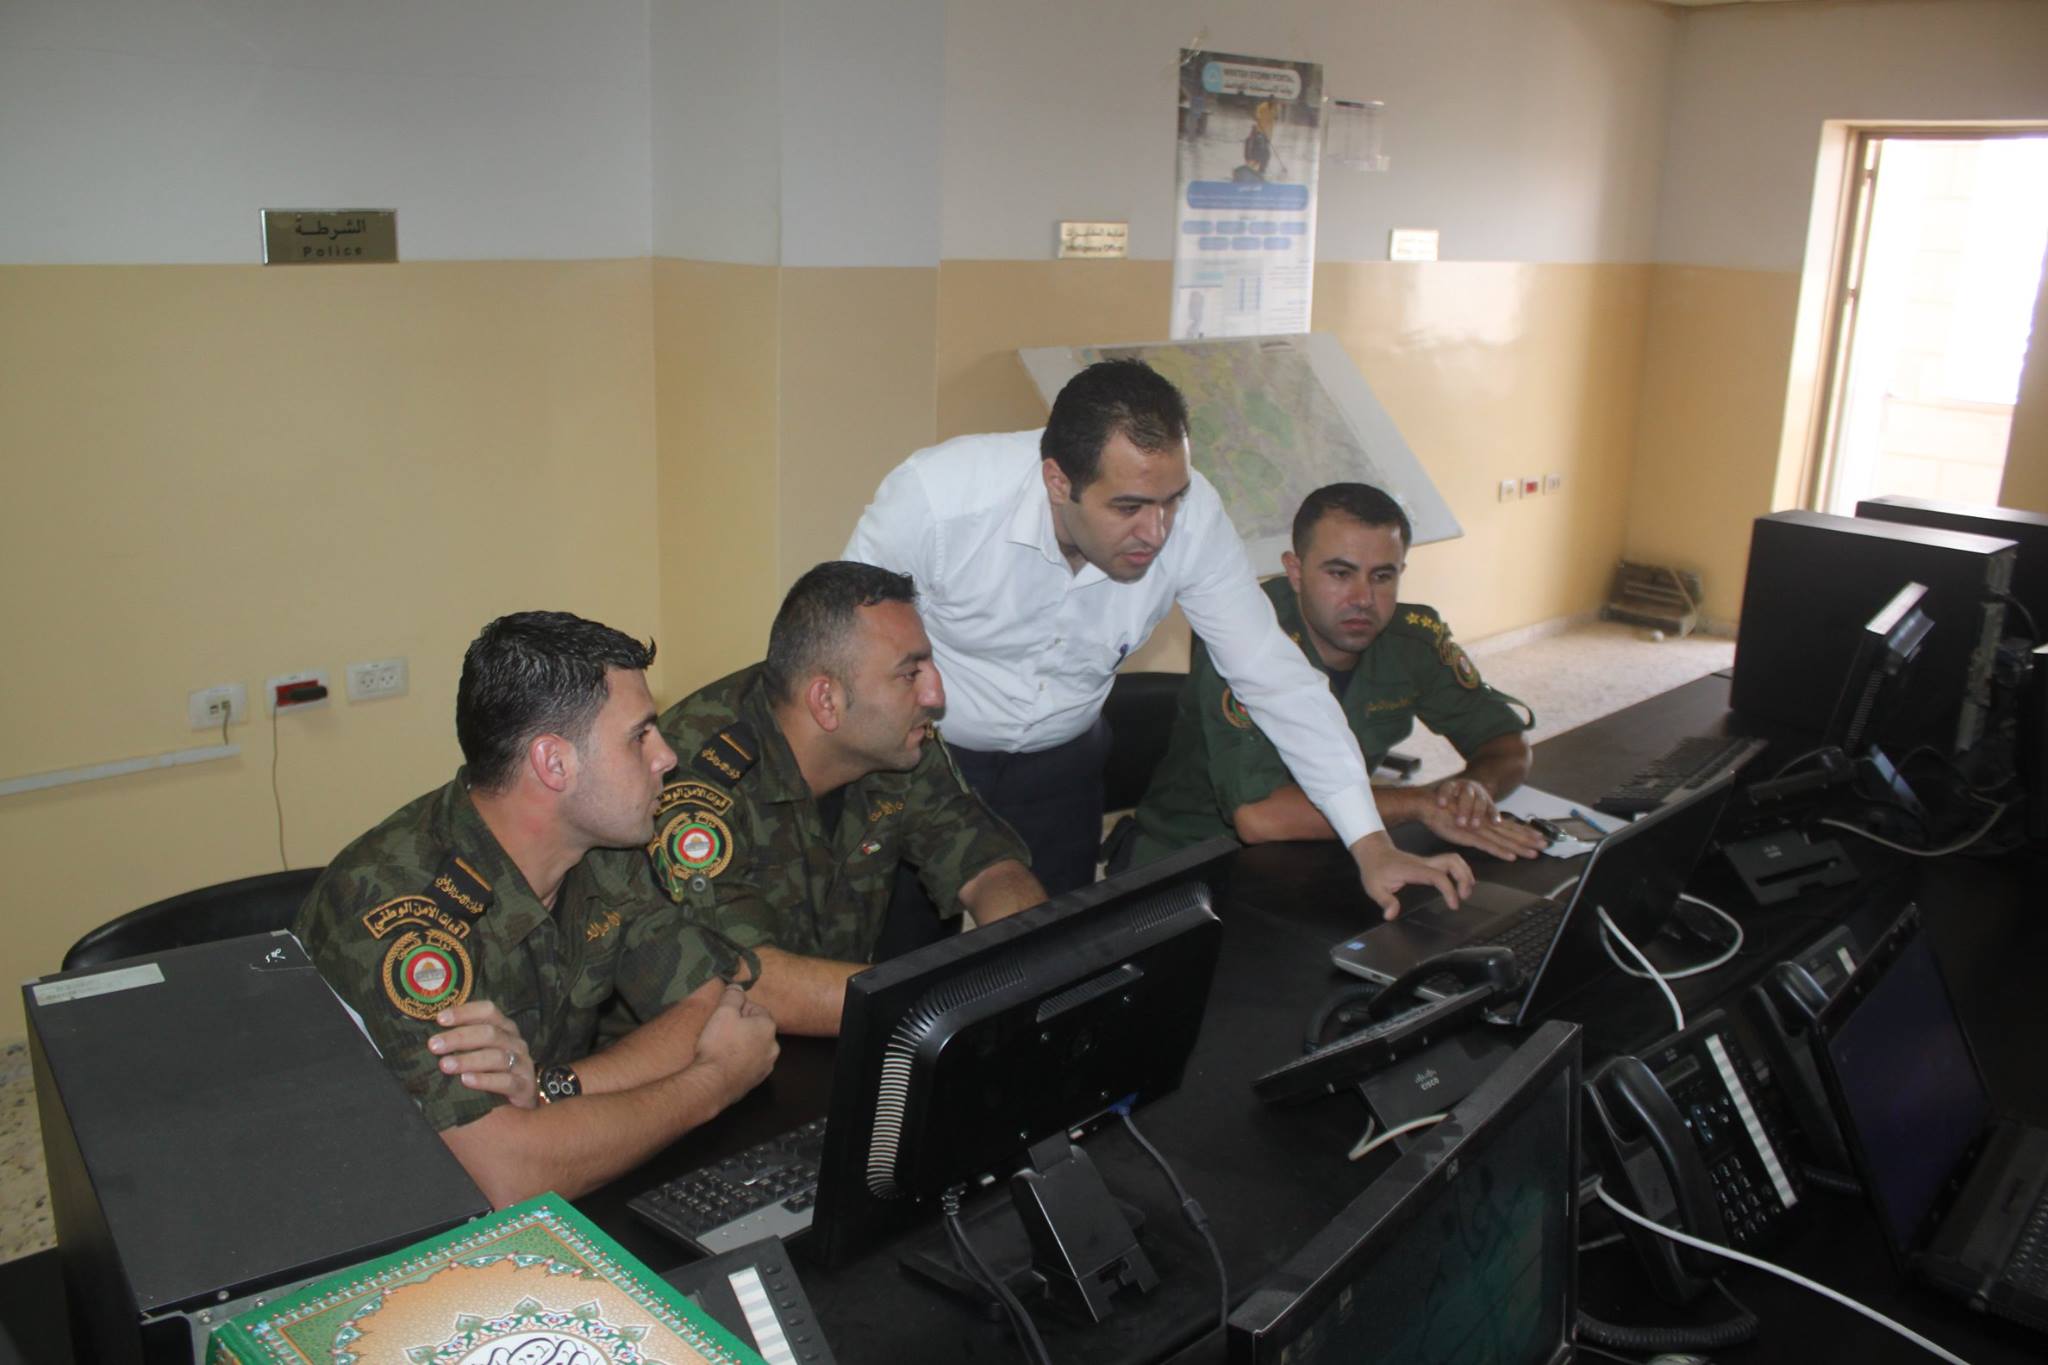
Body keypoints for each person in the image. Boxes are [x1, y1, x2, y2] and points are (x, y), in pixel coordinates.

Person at [845, 358, 1472, 917]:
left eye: (1171, 499)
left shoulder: (1193, 519)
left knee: (1049, 955)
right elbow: (846, 645)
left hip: (1063, 762)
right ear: (1058, 482)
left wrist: (1370, 842)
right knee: (901, 957)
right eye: (1129, 507)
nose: (1158, 531)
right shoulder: (940, 499)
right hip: (924, 758)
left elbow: (1274, 676)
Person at [295, 612, 780, 1207]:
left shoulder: (607, 844)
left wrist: (554, 1089)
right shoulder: (400, 912)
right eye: (640, 736)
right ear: (554, 764)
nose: (667, 756)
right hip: (374, 1216)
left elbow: (707, 1005)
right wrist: (714, 1082)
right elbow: (508, 1174)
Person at [651, 562, 1047, 1035]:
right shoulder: (696, 778)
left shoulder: (899, 742)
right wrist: (947, 1002)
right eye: (910, 674)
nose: (935, 695)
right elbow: (748, 982)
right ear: (827, 701)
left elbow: (988, 863)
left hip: (845, 1023)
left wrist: (1026, 960)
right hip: (697, 1050)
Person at [1130, 483, 1548, 867]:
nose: (1363, 598)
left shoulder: (1411, 639)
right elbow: (1260, 818)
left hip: (1333, 846)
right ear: (1295, 572)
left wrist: (1474, 789)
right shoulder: (1243, 640)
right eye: (1340, 573)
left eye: (1382, 576)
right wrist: (1421, 803)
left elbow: (1507, 743)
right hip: (1196, 860)